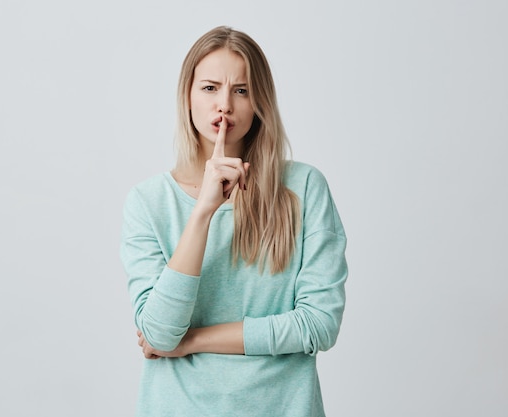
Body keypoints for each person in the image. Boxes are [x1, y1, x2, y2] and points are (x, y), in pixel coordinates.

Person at [120, 25, 348, 417]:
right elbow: (158, 333)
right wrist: (204, 211)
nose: (224, 104)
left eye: (241, 90)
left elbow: (318, 325)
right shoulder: (148, 202)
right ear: (187, 97)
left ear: (260, 101)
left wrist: (193, 341)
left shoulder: (304, 187)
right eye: (210, 88)